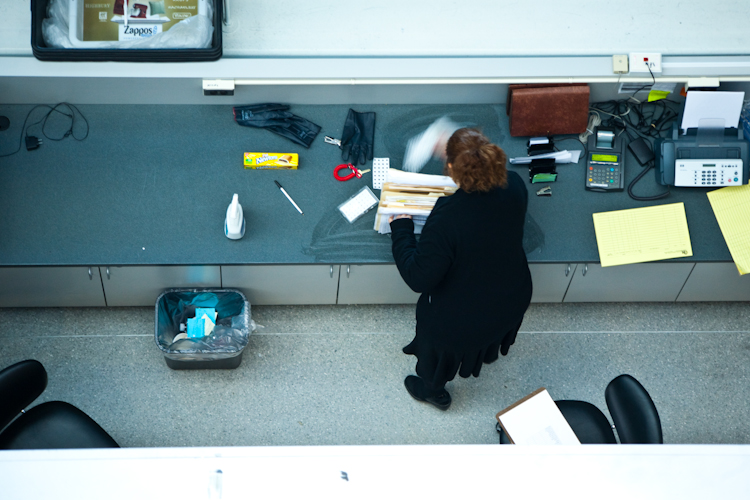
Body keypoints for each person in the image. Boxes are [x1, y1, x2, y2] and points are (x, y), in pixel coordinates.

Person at [389, 128, 532, 411]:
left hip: (462, 319)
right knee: (485, 332)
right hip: (512, 296)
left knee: (439, 354)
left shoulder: (448, 218)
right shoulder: (514, 184)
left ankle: (432, 391)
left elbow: (419, 276)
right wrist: (462, 149)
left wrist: (402, 229)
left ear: (452, 167)